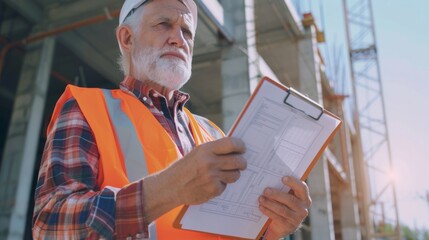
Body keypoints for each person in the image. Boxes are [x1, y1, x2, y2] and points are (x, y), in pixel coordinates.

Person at [32, 0, 312, 239]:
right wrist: (168, 189)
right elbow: (50, 226)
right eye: (163, 24)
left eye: (187, 31)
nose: (179, 38)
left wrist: (270, 230)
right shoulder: (88, 107)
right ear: (127, 39)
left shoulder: (213, 134)